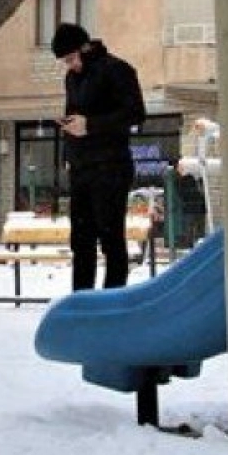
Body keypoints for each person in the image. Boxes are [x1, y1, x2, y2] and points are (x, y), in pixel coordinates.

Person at [52, 22, 146, 290]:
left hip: (111, 167)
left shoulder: (116, 69)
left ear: (85, 48)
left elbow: (136, 113)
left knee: (110, 238)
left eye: (71, 59)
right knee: (81, 240)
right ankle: (82, 300)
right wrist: (68, 146)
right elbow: (75, 114)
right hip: (82, 168)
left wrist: (90, 125)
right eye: (64, 61)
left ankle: (112, 299)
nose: (69, 65)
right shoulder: (72, 78)